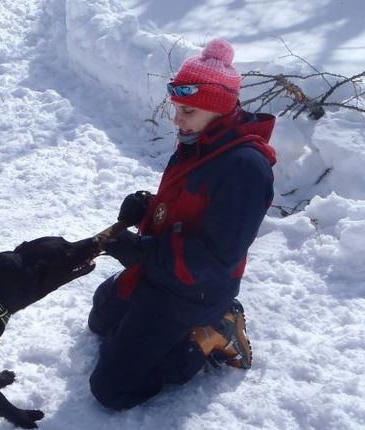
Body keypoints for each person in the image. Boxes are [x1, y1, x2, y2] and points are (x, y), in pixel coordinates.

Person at [88, 38, 277, 410]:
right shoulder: (200, 140)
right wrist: (148, 209)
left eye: (187, 110)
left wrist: (141, 251)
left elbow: (214, 256)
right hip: (162, 272)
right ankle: (154, 332)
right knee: (101, 320)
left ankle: (211, 331)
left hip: (194, 289)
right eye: (177, 108)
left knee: (112, 389)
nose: (177, 119)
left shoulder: (245, 169)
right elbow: (189, 209)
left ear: (218, 108)